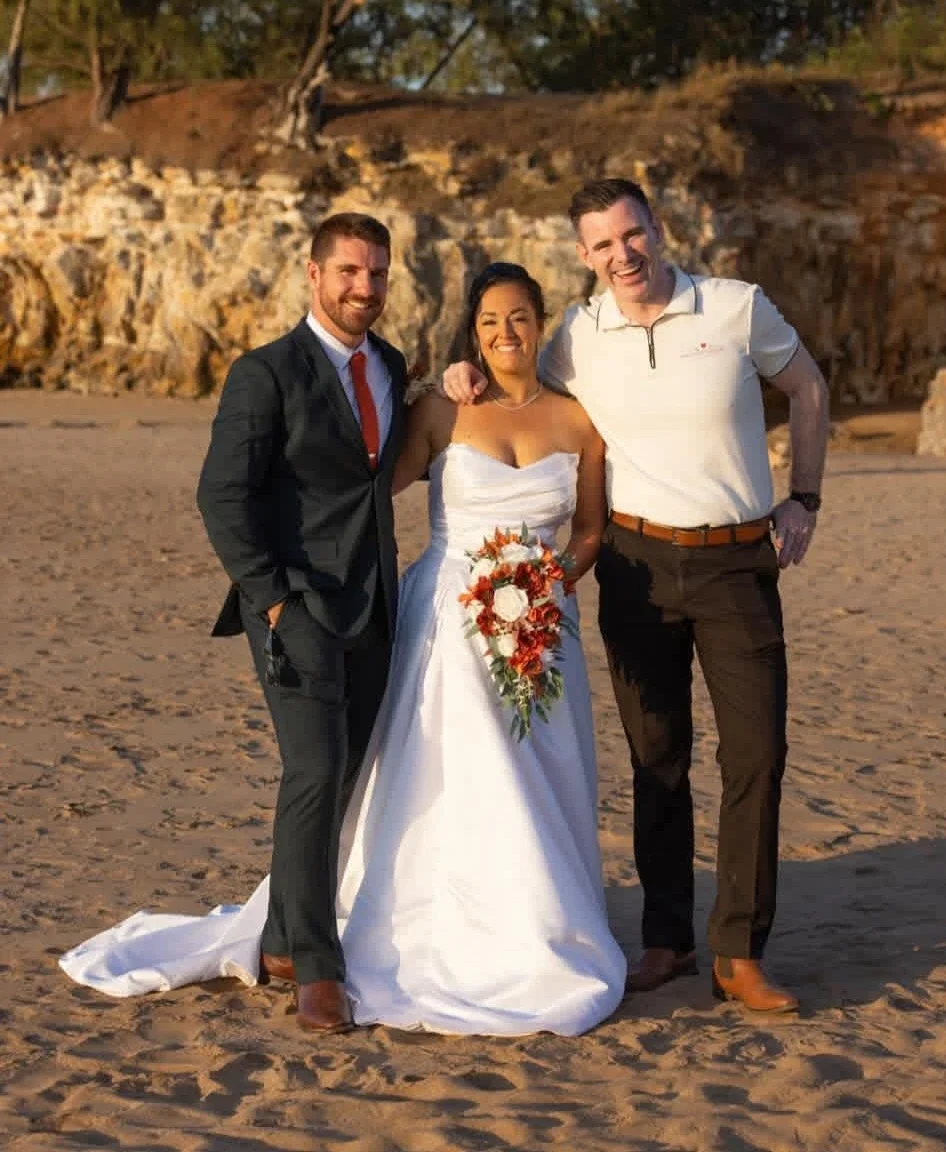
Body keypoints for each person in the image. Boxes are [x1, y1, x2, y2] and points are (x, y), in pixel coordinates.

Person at [59, 261, 627, 1038]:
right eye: (490, 321)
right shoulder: (439, 410)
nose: (505, 334)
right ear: (472, 330)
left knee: (537, 775)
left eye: (520, 317)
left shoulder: (578, 421)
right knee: (453, 771)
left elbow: (591, 529)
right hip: (447, 622)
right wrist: (287, 567)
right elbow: (357, 488)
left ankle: (539, 924)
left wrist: (550, 586)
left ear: (543, 321)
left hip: (542, 626)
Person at [443, 178, 830, 1014]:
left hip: (736, 564)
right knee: (657, 758)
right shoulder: (578, 334)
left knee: (756, 753)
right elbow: (514, 375)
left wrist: (805, 498)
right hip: (634, 564)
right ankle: (667, 940)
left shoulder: (735, 307)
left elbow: (808, 388)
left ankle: (740, 952)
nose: (623, 255)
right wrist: (463, 370)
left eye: (632, 235)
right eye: (603, 245)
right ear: (584, 257)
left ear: (658, 227)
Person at [196, 211, 407, 1033]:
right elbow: (220, 496)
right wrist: (276, 599)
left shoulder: (390, 366)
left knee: (347, 769)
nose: (365, 287)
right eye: (350, 271)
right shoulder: (266, 373)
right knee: (315, 768)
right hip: (297, 607)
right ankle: (315, 968)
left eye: (379, 274)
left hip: (378, 603)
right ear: (312, 276)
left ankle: (284, 933)